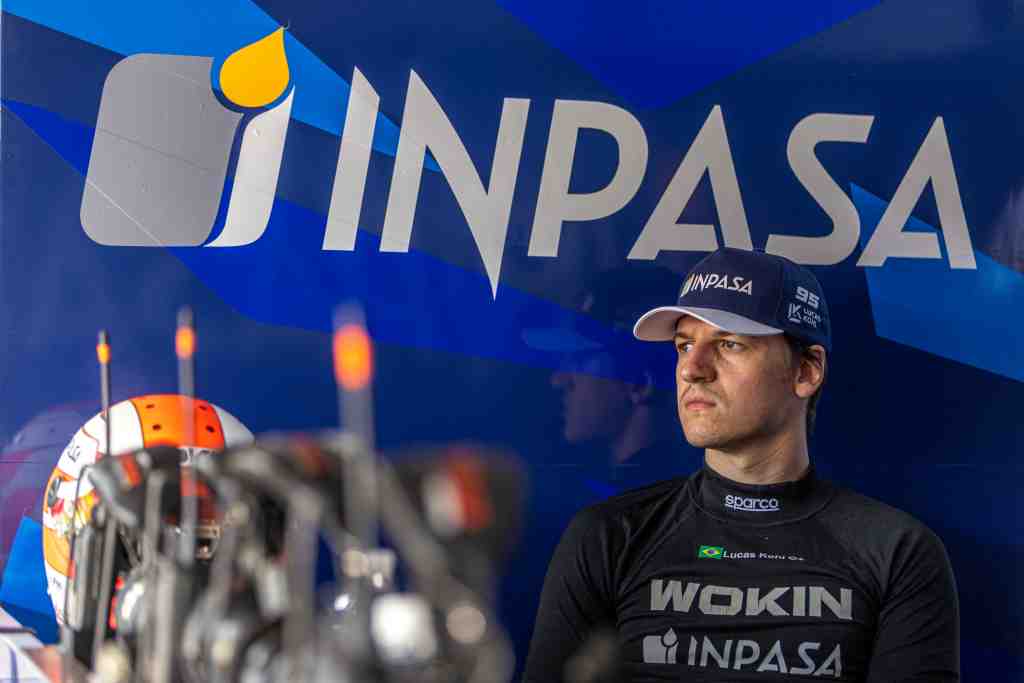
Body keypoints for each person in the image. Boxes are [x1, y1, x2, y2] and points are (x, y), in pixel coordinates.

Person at [523, 247, 959, 682]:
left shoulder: (896, 553)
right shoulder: (608, 537)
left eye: (729, 344)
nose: (692, 369)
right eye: (684, 345)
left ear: (807, 371)